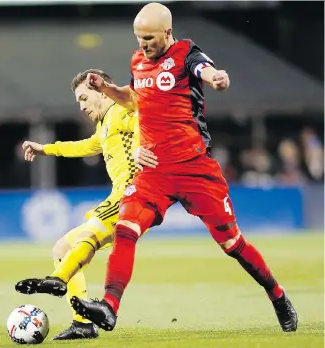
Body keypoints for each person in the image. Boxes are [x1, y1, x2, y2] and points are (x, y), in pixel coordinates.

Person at [70, 2, 298, 333]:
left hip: (194, 169)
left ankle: (277, 295)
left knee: (232, 244)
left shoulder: (185, 53)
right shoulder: (138, 61)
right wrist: (107, 89)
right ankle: (109, 307)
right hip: (154, 172)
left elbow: (204, 69)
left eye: (149, 38)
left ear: (167, 33)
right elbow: (134, 98)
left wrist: (216, 77)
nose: (143, 44)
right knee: (125, 229)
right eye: (138, 38)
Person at [15, 69, 140, 340]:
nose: (81, 106)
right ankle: (82, 323)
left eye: (84, 98)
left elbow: (145, 119)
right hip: (121, 196)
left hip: (133, 194)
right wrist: (45, 149)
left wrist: (146, 147)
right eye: (78, 101)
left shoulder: (122, 111)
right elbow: (83, 147)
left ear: (100, 90)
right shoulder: (105, 124)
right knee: (61, 247)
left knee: (83, 237)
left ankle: (57, 279)